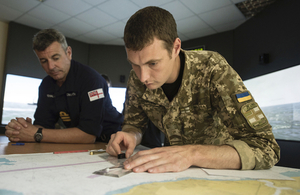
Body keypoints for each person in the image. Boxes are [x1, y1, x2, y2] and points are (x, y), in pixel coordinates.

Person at [106, 6, 280, 173]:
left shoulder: (212, 68)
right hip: (171, 172)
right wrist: (131, 136)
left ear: (175, 48)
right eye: (135, 64)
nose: (143, 76)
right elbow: (134, 124)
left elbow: (266, 147)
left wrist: (192, 154)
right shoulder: (135, 79)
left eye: (153, 63)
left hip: (221, 170)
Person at [5, 29, 123, 144]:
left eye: (56, 58)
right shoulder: (46, 85)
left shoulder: (92, 80)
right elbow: (43, 124)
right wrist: (22, 130)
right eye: (44, 61)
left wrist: (36, 133)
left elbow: (88, 135)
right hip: (80, 142)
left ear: (69, 53)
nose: (51, 66)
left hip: (112, 140)